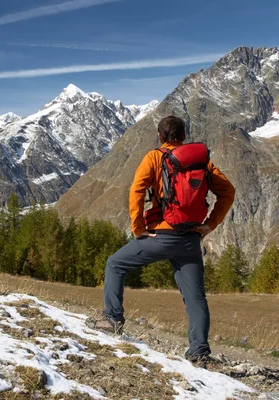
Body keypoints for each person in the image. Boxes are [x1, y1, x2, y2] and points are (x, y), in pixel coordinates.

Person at [86, 115, 235, 362]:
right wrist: (210, 225)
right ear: (184, 136)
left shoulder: (155, 157)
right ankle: (199, 351)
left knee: (115, 264)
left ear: (159, 136)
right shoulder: (201, 162)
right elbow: (227, 192)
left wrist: (138, 228)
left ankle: (113, 319)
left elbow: (137, 190)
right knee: (196, 297)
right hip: (190, 239)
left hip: (161, 235)